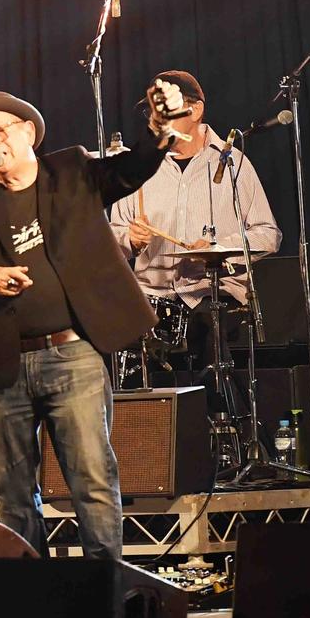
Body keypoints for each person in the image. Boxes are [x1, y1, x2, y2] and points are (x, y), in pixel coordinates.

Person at [0, 84, 183, 558]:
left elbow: (132, 170)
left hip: (73, 355)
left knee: (91, 481)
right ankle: (34, 604)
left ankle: (103, 597)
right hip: (4, 363)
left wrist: (158, 130)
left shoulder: (72, 171)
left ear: (28, 132)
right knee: (11, 496)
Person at [109, 71, 281, 401]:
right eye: (151, 111)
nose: (156, 118)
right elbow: (113, 240)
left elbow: (268, 234)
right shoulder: (137, 168)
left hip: (211, 292)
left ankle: (222, 432)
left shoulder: (233, 164)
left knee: (210, 323)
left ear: (195, 109)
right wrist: (128, 238)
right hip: (151, 297)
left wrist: (223, 248)